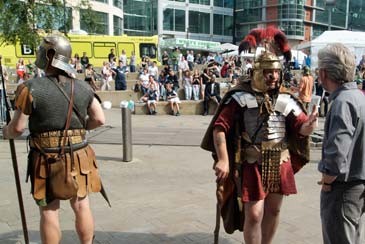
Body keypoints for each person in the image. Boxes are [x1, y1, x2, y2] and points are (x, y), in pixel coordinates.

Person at [201, 27, 318, 244]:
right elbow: (220, 127)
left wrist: (309, 126)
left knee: (273, 211)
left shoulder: (285, 98)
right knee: (254, 213)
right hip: (252, 161)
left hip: (279, 161)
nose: (273, 76)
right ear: (257, 72)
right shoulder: (240, 96)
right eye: (267, 71)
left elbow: (300, 127)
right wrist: (224, 159)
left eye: (275, 71)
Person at [2, 34, 108, 244]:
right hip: (80, 154)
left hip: (46, 158)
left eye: (43, 50)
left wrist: (6, 132)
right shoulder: (84, 87)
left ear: (50, 55)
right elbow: (100, 119)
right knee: (81, 205)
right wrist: (80, 129)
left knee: (50, 211)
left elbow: (18, 127)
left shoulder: (30, 87)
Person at [317, 43, 365, 244]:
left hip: (343, 189)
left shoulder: (342, 102)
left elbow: (336, 155)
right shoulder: (358, 97)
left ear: (323, 73)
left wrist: (326, 181)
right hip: (357, 185)